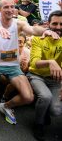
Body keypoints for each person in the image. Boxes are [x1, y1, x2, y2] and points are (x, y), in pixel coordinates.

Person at [0, 0, 59, 126]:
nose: (10, 9)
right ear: (0, 9)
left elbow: (33, 30)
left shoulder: (19, 24)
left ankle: (6, 106)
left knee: (28, 97)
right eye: (6, 7)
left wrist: (46, 30)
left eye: (12, 6)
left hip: (13, 65)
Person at [27, 10, 62, 141]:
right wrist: (50, 62)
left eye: (61, 24)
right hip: (36, 75)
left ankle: (45, 110)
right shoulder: (38, 38)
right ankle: (38, 123)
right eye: (55, 23)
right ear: (48, 24)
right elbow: (35, 63)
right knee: (45, 97)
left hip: (55, 80)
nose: (58, 27)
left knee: (56, 111)